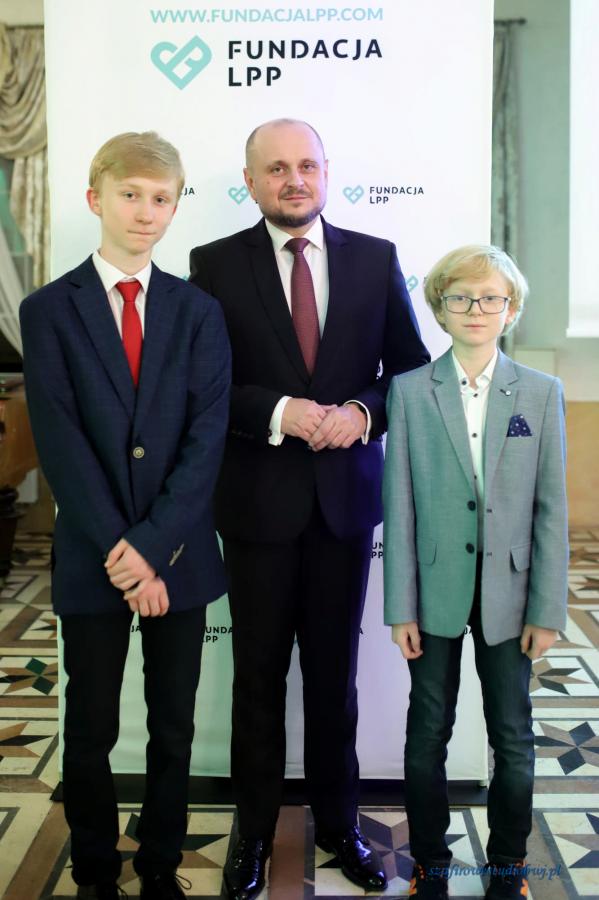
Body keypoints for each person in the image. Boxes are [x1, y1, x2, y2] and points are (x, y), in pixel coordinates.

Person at [189, 117, 429, 899]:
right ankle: (253, 835)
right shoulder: (214, 263)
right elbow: (203, 382)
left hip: (342, 508)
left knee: (334, 680)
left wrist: (361, 413)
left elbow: (409, 372)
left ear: (325, 173)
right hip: (255, 507)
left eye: (305, 165)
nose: (293, 179)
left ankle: (339, 825)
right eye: (275, 168)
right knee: (256, 680)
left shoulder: (375, 258)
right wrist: (278, 410)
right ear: (250, 181)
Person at [19, 132, 231, 900]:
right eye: (130, 195)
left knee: (173, 727)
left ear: (175, 208)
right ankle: (95, 871)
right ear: (95, 198)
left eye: (160, 198)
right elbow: (60, 442)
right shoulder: (49, 310)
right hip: (93, 555)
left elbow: (206, 439)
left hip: (179, 558)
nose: (145, 211)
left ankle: (161, 867)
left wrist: (152, 548)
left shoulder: (199, 312)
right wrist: (123, 550)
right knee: (90, 728)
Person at [383, 244, 569, 899]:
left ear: (510, 310)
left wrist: (547, 609)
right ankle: (430, 867)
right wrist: (400, 607)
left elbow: (550, 508)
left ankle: (508, 869)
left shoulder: (541, 393)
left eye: (491, 298)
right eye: (460, 297)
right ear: (440, 308)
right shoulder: (409, 392)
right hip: (433, 592)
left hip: (512, 596)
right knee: (425, 734)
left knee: (512, 738)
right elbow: (400, 505)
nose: (475, 309)